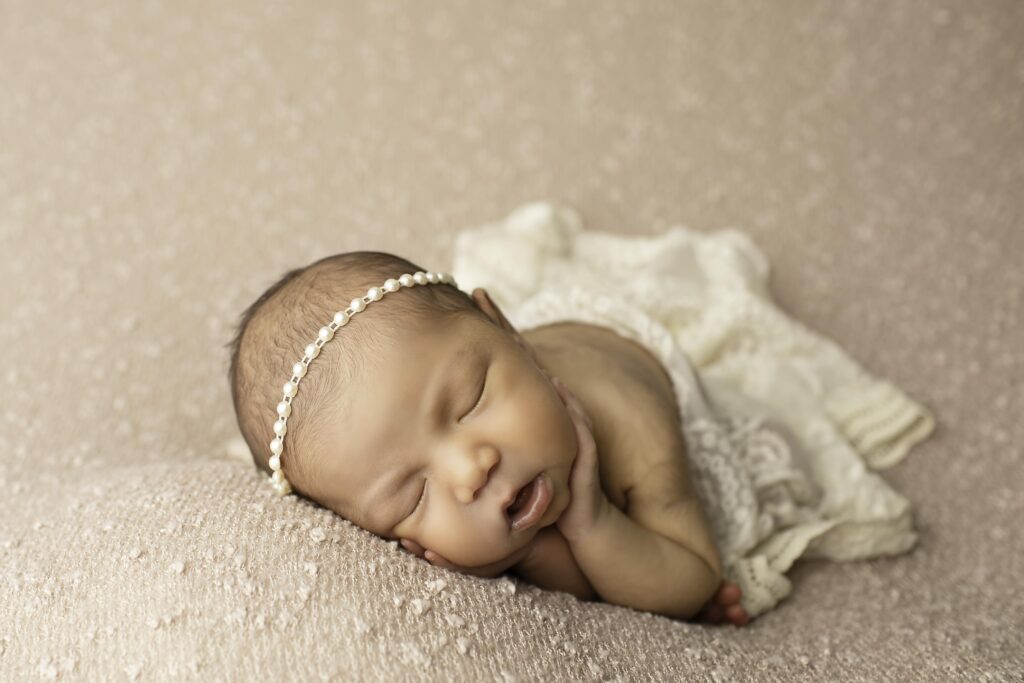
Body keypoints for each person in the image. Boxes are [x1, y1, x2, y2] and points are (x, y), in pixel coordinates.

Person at [227, 251, 749, 624]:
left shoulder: (631, 421)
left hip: (621, 360)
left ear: (505, 326)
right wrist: (524, 554)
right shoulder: (493, 472)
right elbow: (579, 573)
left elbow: (695, 578)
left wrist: (595, 522)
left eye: (471, 400)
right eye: (413, 495)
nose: (469, 472)